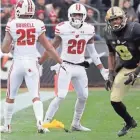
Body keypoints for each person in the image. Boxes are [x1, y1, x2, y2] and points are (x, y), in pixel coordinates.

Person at [39, 3, 109, 132]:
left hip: (80, 67)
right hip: (65, 65)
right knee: (61, 95)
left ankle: (76, 124)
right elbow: (51, 48)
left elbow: (93, 52)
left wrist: (102, 69)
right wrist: (40, 63)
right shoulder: (63, 28)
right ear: (69, 15)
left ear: (84, 16)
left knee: (83, 96)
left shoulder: (88, 29)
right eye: (75, 15)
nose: (77, 17)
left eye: (80, 15)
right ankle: (45, 123)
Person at [0, 0, 63, 133]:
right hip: (32, 62)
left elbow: (5, 49)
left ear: (18, 10)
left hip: (17, 63)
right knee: (35, 95)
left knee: (10, 95)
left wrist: (11, 45)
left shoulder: (12, 24)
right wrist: (60, 61)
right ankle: (40, 123)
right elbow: (49, 47)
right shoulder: (38, 24)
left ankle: (7, 126)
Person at [104, 6, 140, 137]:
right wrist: (110, 73)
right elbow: (111, 54)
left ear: (123, 18)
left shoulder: (134, 29)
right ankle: (130, 122)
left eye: (118, 18)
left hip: (136, 67)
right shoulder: (108, 33)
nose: (116, 22)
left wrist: (136, 73)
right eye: (113, 20)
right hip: (128, 67)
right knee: (114, 99)